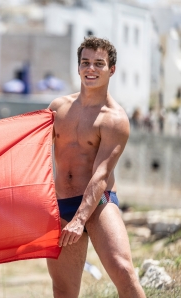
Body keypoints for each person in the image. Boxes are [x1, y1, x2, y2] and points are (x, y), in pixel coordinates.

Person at [47, 37, 145, 297]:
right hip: (62, 203)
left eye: (99, 64)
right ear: (78, 67)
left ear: (111, 69)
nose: (91, 69)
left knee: (124, 272)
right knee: (64, 290)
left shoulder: (114, 118)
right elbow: (33, 153)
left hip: (99, 204)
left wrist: (80, 220)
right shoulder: (57, 108)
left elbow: (101, 174)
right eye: (85, 63)